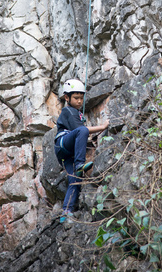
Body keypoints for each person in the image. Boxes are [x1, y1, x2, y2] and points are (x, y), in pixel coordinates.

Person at [54, 78, 109, 222]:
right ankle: (79, 164)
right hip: (63, 143)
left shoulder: (76, 113)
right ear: (67, 98)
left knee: (75, 180)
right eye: (76, 98)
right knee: (83, 130)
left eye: (81, 98)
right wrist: (102, 127)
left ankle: (66, 212)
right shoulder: (68, 111)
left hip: (66, 154)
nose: (79, 101)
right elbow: (81, 130)